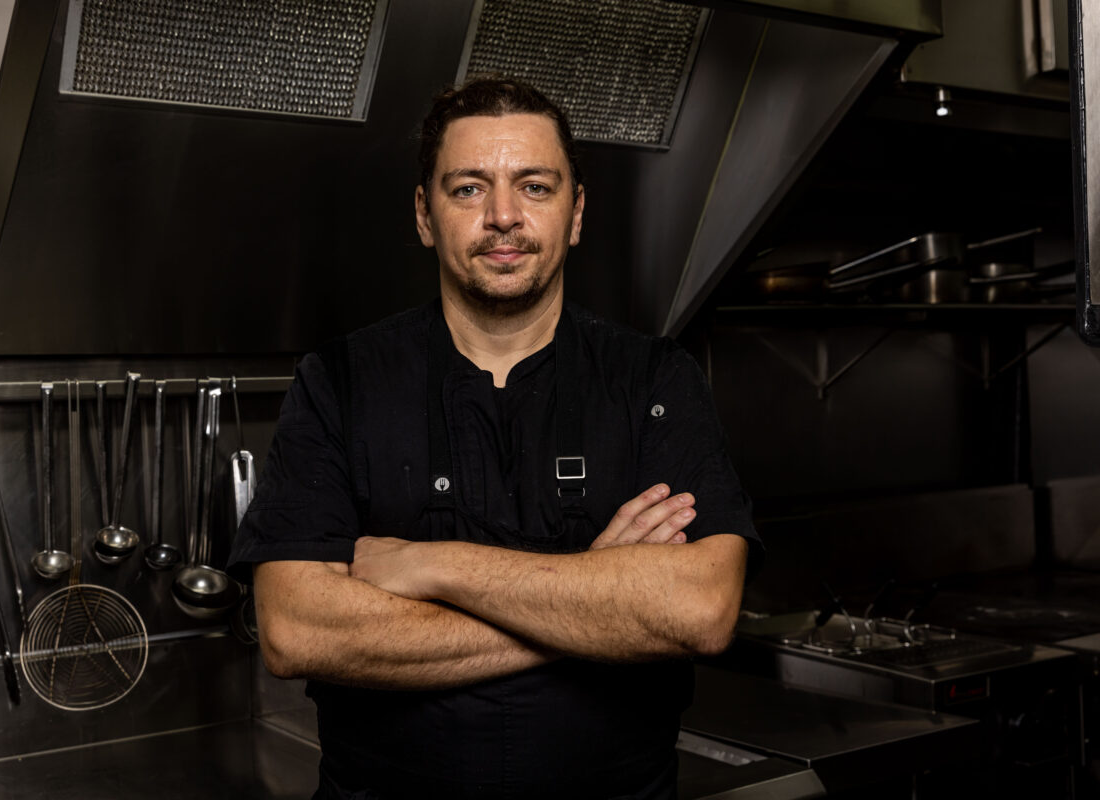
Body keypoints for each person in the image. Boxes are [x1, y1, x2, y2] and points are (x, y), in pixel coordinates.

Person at [228, 77, 762, 800]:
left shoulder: (653, 380)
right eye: (469, 189)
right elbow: (296, 630)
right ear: (425, 215)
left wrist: (431, 565)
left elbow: (701, 610)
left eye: (534, 187)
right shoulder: (340, 381)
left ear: (576, 214)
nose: (503, 216)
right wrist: (595, 601)